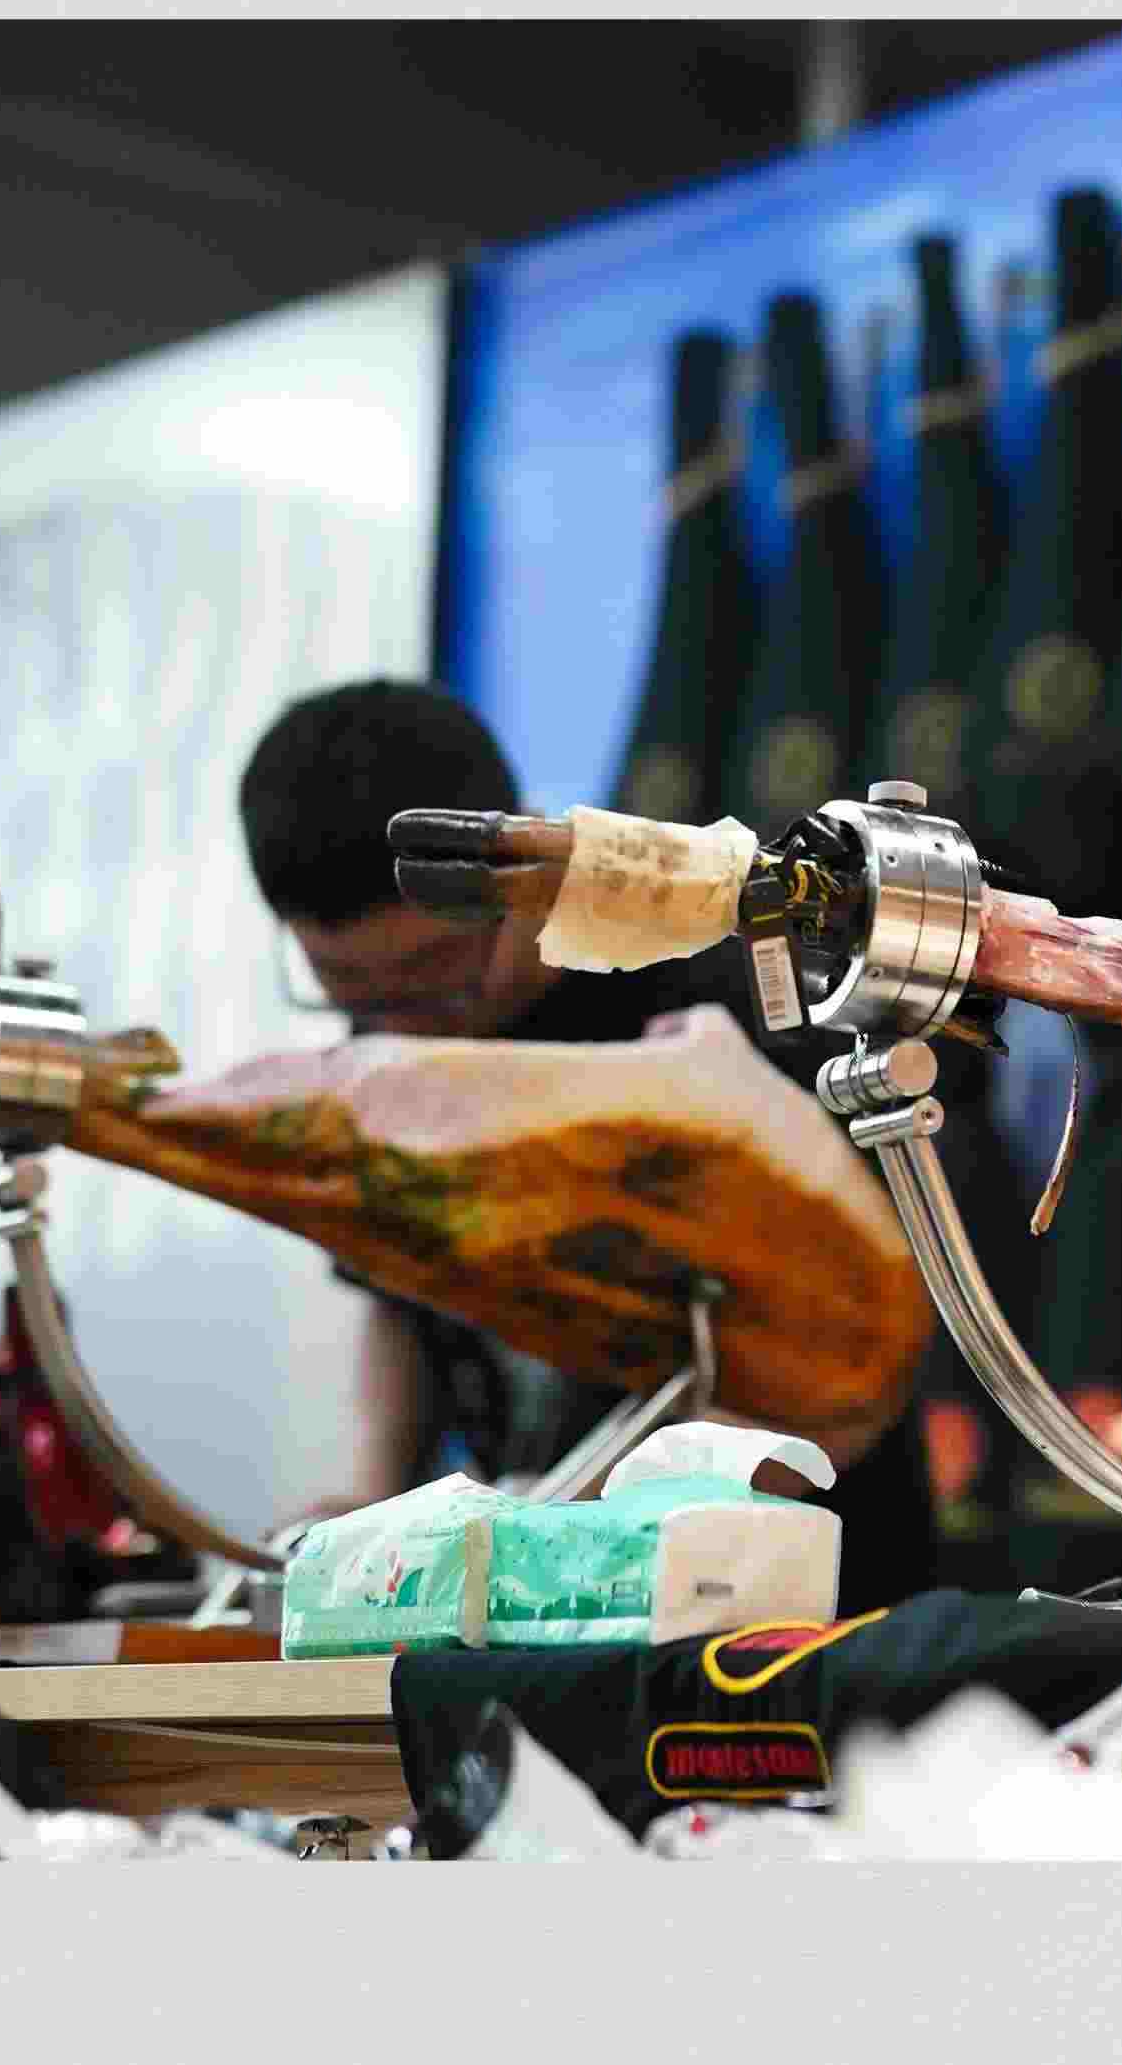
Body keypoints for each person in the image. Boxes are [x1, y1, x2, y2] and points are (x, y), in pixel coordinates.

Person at [241, 679, 939, 1609]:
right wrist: (366, 1509)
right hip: (535, 1587)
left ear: (520, 863)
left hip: (790, 1587)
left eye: (435, 972)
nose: (404, 1022)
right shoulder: (392, 1038)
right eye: (353, 991)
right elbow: (397, 1301)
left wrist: (591, 1533)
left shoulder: (712, 1003)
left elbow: (844, 1340)